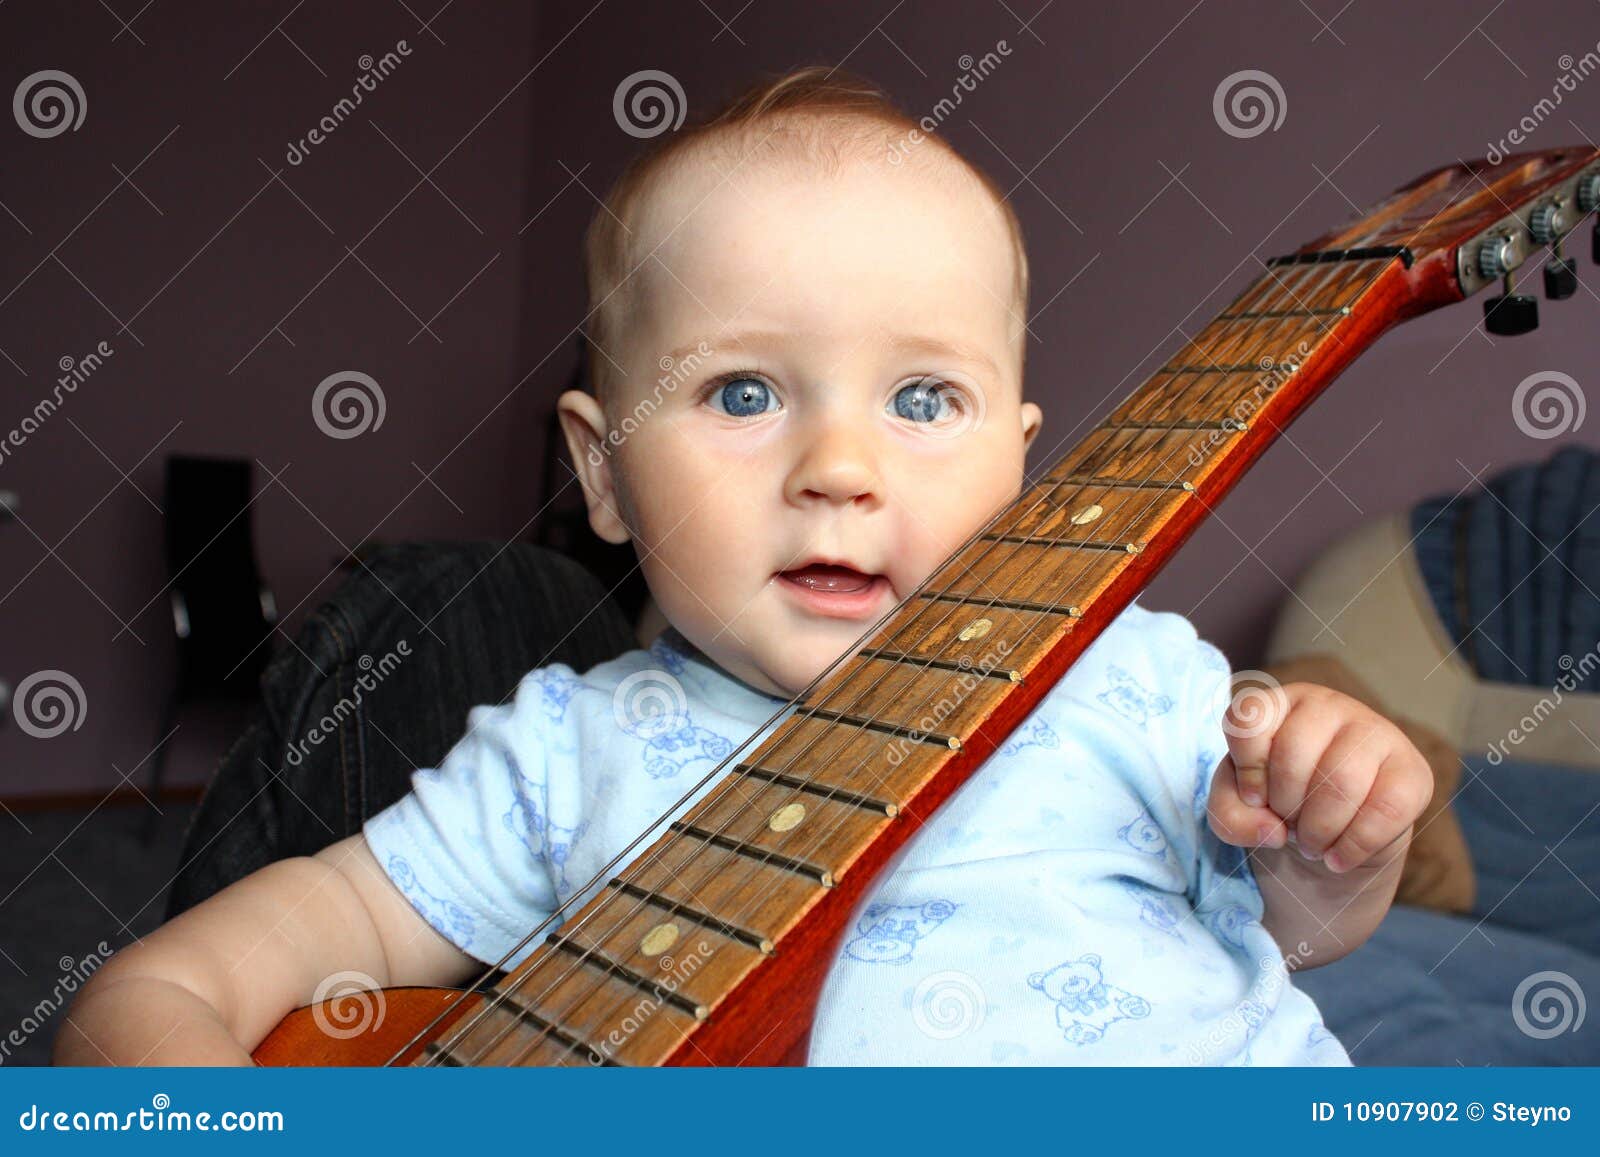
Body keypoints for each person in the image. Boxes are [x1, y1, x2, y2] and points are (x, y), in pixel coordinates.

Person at [56, 65, 1432, 1066]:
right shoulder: (566, 754)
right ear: (602, 471)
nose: (841, 467)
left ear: (1021, 466)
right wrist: (153, 1036)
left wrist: (1334, 831)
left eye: (922, 401)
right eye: (741, 394)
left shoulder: (1134, 678)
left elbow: (1300, 928)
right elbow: (286, 933)